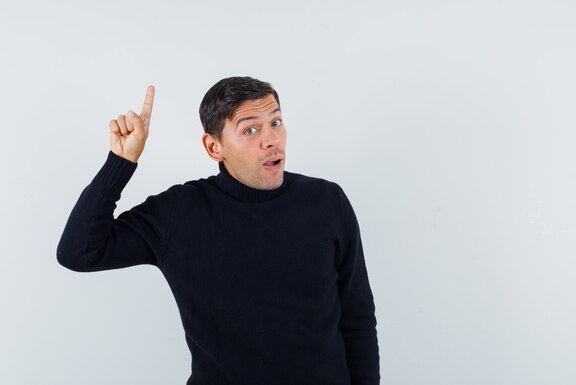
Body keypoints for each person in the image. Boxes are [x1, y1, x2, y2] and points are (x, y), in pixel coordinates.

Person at [56, 76, 380, 385]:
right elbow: (79, 252)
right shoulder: (180, 213)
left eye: (276, 123)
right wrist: (121, 161)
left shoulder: (326, 201)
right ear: (214, 148)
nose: (272, 140)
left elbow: (357, 317)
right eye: (251, 129)